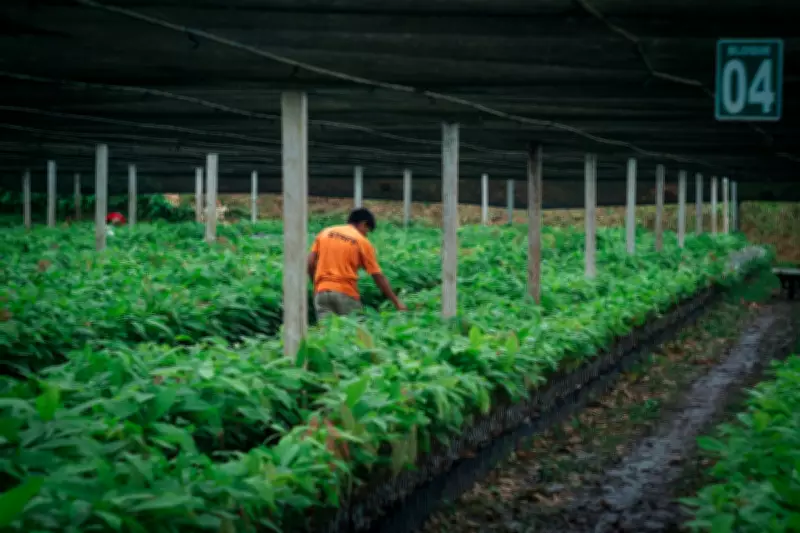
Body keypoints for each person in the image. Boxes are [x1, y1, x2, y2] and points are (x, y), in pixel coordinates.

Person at [308, 208, 406, 319]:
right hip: (345, 294)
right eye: (367, 231)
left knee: (327, 333)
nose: (366, 235)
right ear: (364, 224)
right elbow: (378, 276)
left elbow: (310, 263)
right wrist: (396, 302)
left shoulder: (325, 232)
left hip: (321, 293)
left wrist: (317, 285)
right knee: (355, 333)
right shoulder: (362, 241)